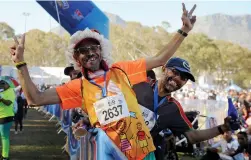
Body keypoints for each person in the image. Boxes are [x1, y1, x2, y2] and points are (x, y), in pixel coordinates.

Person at [10, 3, 197, 159]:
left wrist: (184, 30)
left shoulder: (122, 70)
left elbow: (159, 59)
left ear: (101, 50)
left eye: (94, 47)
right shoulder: (79, 87)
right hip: (110, 153)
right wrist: (20, 64)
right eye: (83, 50)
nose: (90, 52)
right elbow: (35, 98)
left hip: (142, 152)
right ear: (76, 58)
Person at [132, 57, 235, 159]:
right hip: (117, 144)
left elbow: (192, 136)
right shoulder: (139, 86)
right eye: (175, 72)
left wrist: (222, 128)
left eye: (183, 78)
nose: (178, 79)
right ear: (164, 69)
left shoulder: (174, 108)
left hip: (137, 154)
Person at [0, 77, 16, 160]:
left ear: (8, 84)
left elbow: (8, 103)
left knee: (4, 136)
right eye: (0, 83)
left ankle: (5, 156)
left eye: (3, 83)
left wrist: (1, 99)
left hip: (6, 116)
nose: (1, 84)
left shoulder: (11, 91)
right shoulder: (2, 91)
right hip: (0, 115)